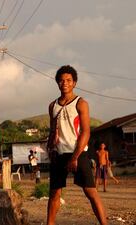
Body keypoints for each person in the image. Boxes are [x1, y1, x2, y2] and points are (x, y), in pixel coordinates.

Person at [46, 65, 107, 225]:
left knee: (91, 192)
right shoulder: (53, 106)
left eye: (68, 80)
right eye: (61, 80)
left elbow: (86, 132)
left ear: (74, 83)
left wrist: (75, 157)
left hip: (78, 153)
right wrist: (50, 148)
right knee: (54, 194)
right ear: (57, 83)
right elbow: (53, 130)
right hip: (59, 154)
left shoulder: (81, 103)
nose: (64, 83)